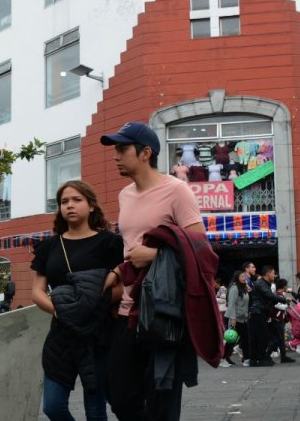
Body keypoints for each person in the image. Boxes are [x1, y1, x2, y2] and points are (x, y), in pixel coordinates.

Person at [99, 121, 206, 421]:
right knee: (120, 399)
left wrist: (156, 254)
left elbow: (201, 248)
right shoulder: (124, 196)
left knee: (162, 405)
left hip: (162, 314)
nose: (115, 156)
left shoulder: (177, 191)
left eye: (122, 149)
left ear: (146, 152)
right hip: (127, 313)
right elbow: (131, 248)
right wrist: (118, 273)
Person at [31, 180, 123, 421]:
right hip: (62, 333)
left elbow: (122, 288)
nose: (69, 205)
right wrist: (59, 311)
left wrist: (90, 308)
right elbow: (37, 291)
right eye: (64, 202)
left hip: (98, 332)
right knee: (52, 405)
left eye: (76, 200)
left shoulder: (110, 243)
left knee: (95, 408)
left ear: (91, 205)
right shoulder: (49, 247)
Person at [247, 265, 281, 367]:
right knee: (262, 337)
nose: (274, 275)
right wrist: (283, 299)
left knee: (258, 338)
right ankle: (260, 359)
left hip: (261, 313)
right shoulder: (261, 283)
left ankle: (255, 359)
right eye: (273, 273)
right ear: (268, 273)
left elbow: (268, 298)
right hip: (257, 313)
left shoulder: (266, 284)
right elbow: (269, 295)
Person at [224, 270, 251, 366]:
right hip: (234, 318)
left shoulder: (243, 288)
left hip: (243, 318)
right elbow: (231, 304)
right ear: (237, 277)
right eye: (242, 276)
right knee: (231, 339)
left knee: (245, 338)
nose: (244, 278)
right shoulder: (234, 288)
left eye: (245, 276)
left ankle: (247, 359)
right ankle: (223, 359)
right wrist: (233, 318)